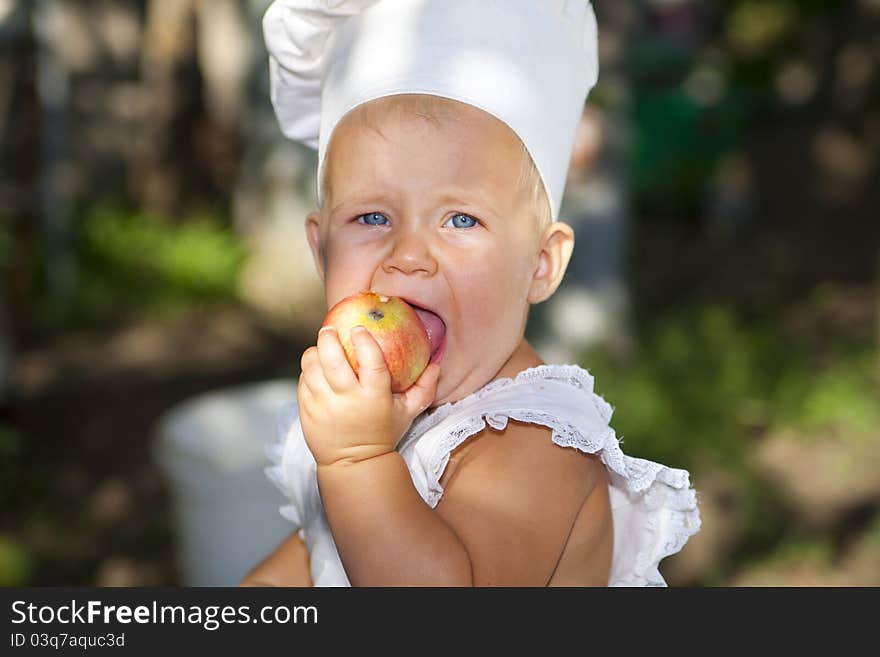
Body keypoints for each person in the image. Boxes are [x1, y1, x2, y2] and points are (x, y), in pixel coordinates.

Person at [241, 0, 701, 587]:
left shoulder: (536, 443)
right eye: (372, 217)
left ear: (540, 264)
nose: (408, 254)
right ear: (321, 248)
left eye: (460, 220)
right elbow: (310, 565)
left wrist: (356, 461)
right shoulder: (368, 424)